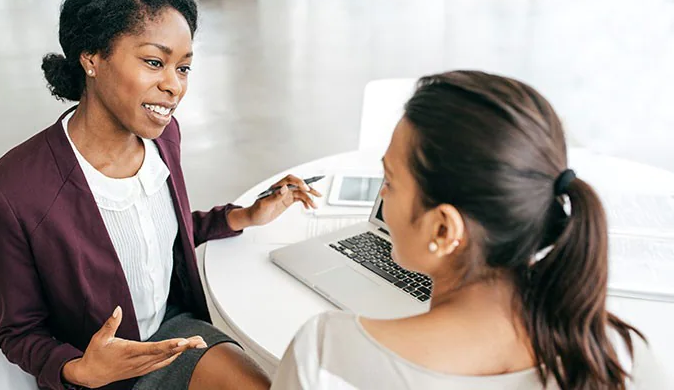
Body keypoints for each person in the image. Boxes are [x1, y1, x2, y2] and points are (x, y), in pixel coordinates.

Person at [0, 0, 321, 389]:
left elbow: (150, 235)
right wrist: (80, 369)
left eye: (184, 68)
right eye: (155, 62)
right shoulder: (11, 190)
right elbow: (19, 332)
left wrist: (241, 216)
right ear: (92, 58)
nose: (174, 87)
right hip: (101, 374)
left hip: (173, 332)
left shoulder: (163, 137)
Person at [271, 71, 670, 389]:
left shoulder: (326, 356)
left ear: (444, 229)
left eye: (389, 182)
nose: (381, 198)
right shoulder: (620, 357)